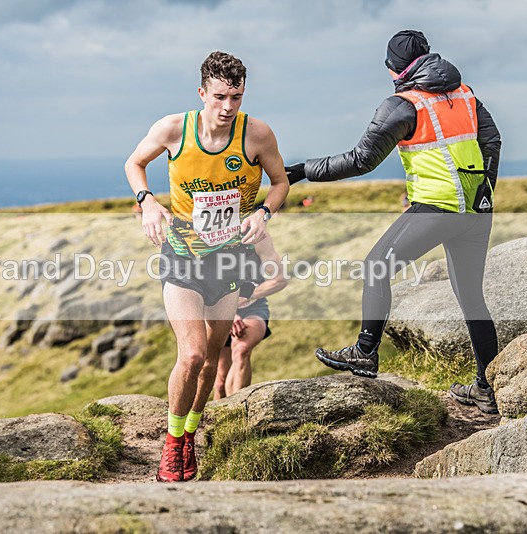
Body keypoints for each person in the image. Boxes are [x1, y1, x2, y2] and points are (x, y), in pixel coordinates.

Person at [286, 30, 501, 414]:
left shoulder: (402, 105)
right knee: (471, 297)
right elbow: (493, 141)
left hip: (437, 208)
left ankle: (366, 351)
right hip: (476, 211)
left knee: (375, 266)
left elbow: (360, 160)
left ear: (393, 69)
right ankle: (487, 388)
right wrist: (484, 192)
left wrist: (302, 170)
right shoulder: (467, 94)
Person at [125, 51, 289, 482]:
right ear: (202, 93)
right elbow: (134, 163)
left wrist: (263, 214)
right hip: (182, 256)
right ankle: (171, 443)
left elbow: (281, 183)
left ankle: (191, 437)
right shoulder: (173, 129)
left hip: (230, 260)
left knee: (213, 359)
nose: (228, 106)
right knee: (193, 353)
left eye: (236, 96)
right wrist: (148, 204)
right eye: (219, 96)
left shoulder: (256, 134)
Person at [213, 233, 287, 399]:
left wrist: (250, 294)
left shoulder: (258, 237)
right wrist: (229, 312)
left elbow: (279, 280)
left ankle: (237, 412)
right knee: (219, 382)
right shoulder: (209, 238)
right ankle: (218, 422)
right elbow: (202, 287)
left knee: (241, 349)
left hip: (253, 308)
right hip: (217, 310)